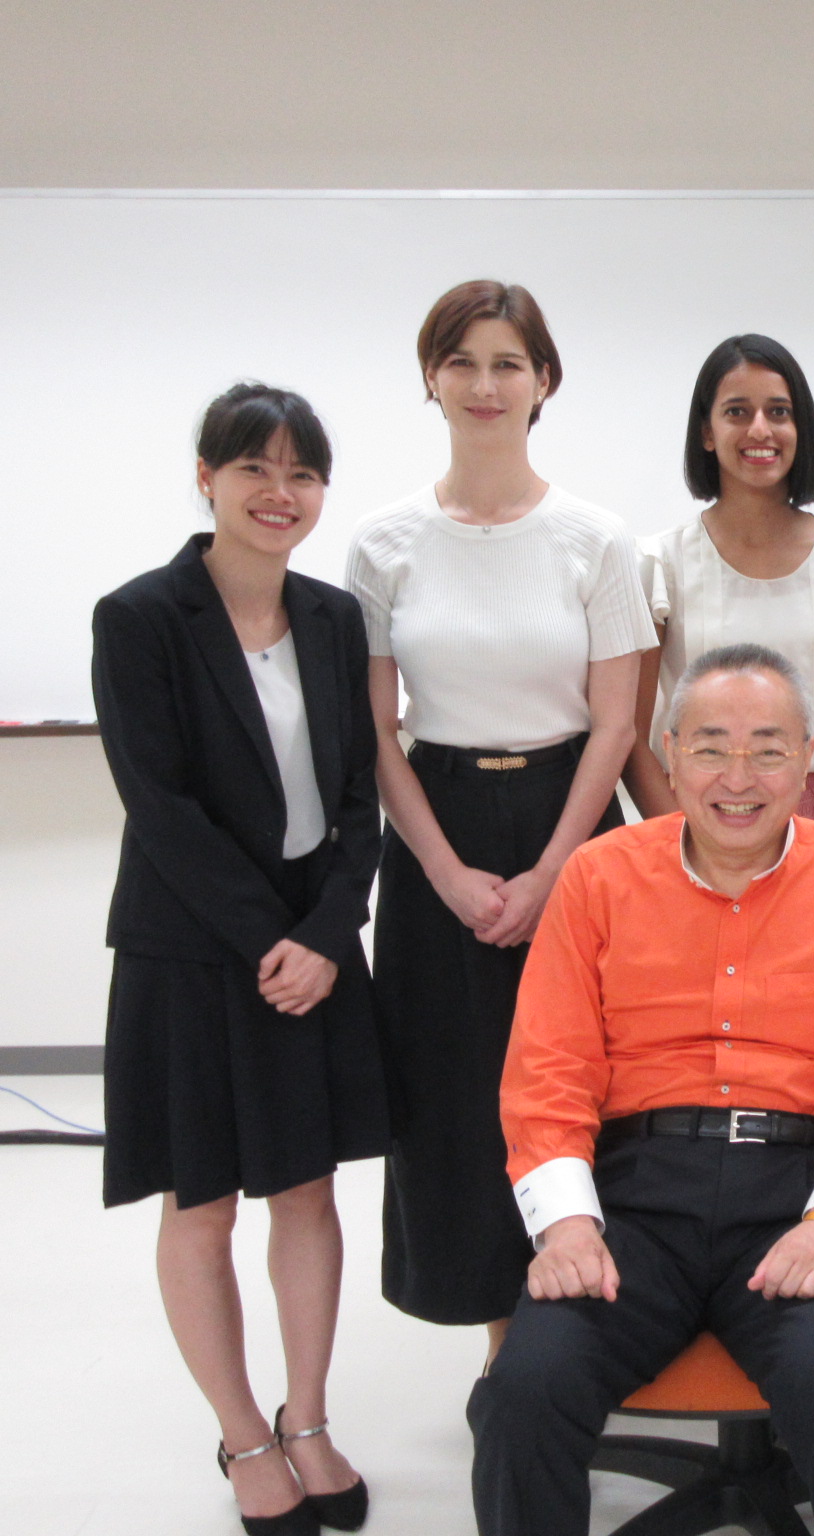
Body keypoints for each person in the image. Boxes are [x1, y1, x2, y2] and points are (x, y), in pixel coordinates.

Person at [469, 644, 814, 1536]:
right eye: (713, 748)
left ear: (809, 759)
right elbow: (548, 1067)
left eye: (768, 750)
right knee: (524, 1390)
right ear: (670, 753)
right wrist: (567, 1224)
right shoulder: (599, 876)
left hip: (795, 1197)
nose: (739, 778)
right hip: (633, 1201)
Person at [93, 383, 384, 1535]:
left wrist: (326, 934)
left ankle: (306, 1418)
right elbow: (160, 808)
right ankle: (243, 1434)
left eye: (302, 473)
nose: (280, 492)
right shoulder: (141, 617)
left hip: (314, 942)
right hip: (193, 953)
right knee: (202, 1201)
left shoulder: (333, 617)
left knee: (307, 1190)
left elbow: (358, 795)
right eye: (255, 468)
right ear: (206, 477)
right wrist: (275, 940)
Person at [345, 280, 657, 1350]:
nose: (486, 385)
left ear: (543, 382)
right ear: (431, 379)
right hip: (435, 825)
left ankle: (591, 1331)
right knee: (455, 1090)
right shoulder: (384, 543)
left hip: (570, 816)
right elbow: (376, 729)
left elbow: (616, 724)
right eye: (463, 362)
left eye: (508, 364)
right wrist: (442, 872)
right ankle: (500, 1347)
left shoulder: (595, 538)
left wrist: (555, 868)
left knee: (592, 1076)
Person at [624, 333, 814, 828]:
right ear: (706, 432)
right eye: (737, 412)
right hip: (697, 818)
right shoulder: (661, 564)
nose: (760, 429)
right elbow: (630, 733)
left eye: (778, 412)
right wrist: (682, 838)